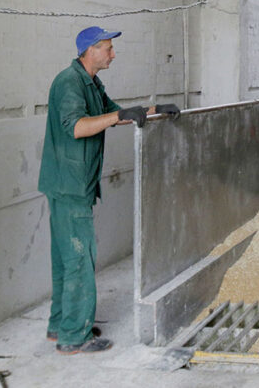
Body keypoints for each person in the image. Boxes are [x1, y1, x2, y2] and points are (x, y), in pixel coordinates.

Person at [37, 26, 180, 355]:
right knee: (78, 259)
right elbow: (76, 127)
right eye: (108, 49)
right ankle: (74, 336)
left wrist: (154, 110)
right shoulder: (69, 82)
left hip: (69, 182)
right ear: (90, 50)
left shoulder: (90, 82)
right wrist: (116, 114)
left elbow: (115, 114)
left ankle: (59, 325)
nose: (113, 54)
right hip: (69, 185)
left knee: (65, 258)